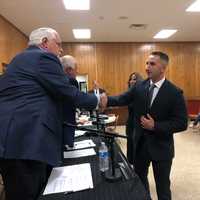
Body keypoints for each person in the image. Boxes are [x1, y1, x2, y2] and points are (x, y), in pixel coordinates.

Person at [0, 27, 107, 200]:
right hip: (25, 141)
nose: (61, 49)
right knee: (29, 192)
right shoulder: (43, 57)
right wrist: (96, 100)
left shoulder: (19, 59)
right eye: (58, 44)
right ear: (44, 42)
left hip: (13, 140)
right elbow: (66, 92)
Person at [106, 51, 188, 200]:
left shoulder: (175, 93)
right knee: (139, 181)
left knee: (163, 187)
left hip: (162, 149)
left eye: (152, 64)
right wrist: (103, 99)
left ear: (163, 68)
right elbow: (121, 99)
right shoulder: (139, 87)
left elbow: (182, 123)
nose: (147, 67)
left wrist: (155, 126)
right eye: (146, 63)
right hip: (141, 146)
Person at [60, 55, 79, 147]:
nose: (77, 72)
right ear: (69, 69)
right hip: (67, 124)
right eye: (76, 69)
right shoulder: (71, 81)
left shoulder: (56, 80)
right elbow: (76, 100)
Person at [126, 72, 143, 165]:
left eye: (134, 79)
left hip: (138, 124)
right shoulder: (129, 93)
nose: (132, 81)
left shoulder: (141, 93)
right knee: (130, 145)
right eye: (131, 79)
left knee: (137, 147)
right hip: (130, 123)